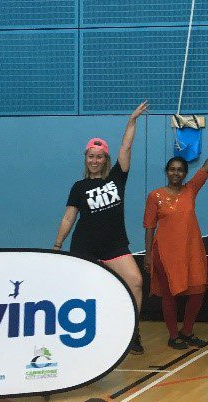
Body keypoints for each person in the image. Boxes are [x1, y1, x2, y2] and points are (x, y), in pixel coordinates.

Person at [55, 101, 148, 354]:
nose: (95, 160)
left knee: (136, 282)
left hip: (114, 245)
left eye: (99, 156)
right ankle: (80, 335)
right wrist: (57, 245)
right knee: (83, 292)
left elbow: (126, 146)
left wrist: (132, 120)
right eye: (91, 156)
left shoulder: (117, 177)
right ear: (86, 159)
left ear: (105, 158)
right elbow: (68, 219)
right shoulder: (78, 187)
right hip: (84, 247)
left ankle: (133, 332)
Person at [143, 128, 208, 349]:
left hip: (191, 250)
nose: (176, 173)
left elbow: (207, 167)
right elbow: (149, 227)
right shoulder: (155, 196)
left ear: (185, 173)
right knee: (169, 295)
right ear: (167, 172)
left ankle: (187, 331)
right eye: (172, 169)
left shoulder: (191, 190)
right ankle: (173, 336)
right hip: (164, 253)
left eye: (180, 170)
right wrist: (148, 255)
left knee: (198, 291)